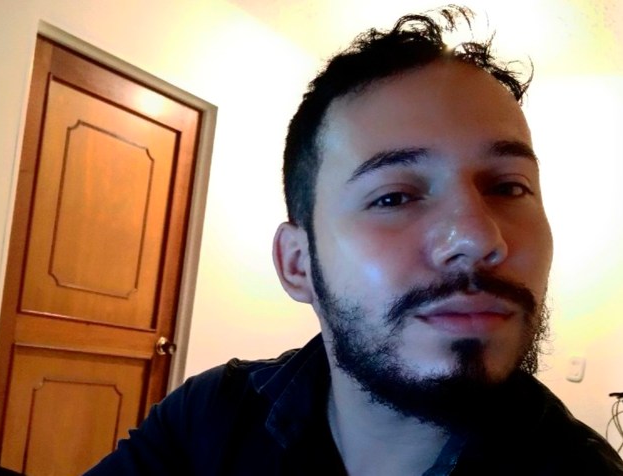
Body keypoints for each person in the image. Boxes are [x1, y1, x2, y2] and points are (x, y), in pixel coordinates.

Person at [85, 6, 623, 475]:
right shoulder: (208, 418)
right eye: (395, 197)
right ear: (298, 264)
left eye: (509, 187)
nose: (479, 237)